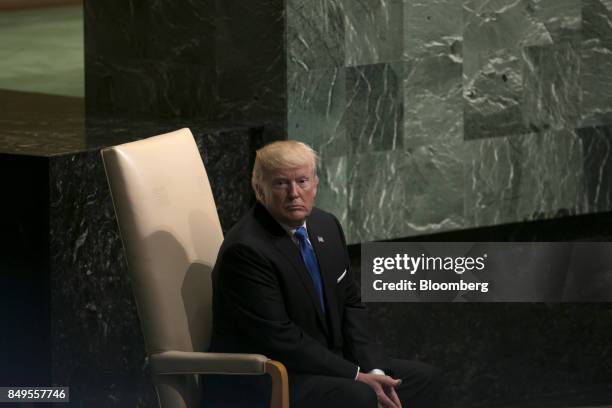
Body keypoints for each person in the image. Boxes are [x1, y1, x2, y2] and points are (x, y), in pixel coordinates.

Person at [208, 141, 442, 408]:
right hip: (271, 378)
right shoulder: (246, 250)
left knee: (423, 379)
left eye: (302, 181)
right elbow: (281, 339)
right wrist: (356, 376)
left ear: (316, 184)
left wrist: (374, 371)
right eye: (281, 184)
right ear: (259, 190)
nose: (294, 193)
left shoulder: (326, 225)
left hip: (327, 365)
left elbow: (351, 306)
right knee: (361, 395)